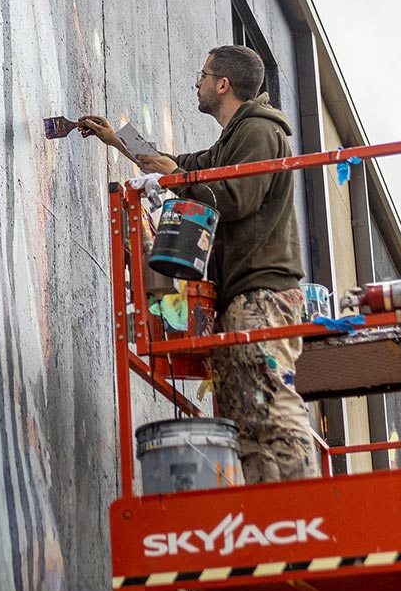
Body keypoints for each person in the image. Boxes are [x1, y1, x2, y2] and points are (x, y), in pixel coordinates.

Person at [79, 45, 316, 483]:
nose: (198, 82)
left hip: (261, 293)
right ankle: (273, 518)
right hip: (243, 293)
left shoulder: (260, 131)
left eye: (203, 75)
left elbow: (234, 197)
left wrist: (182, 181)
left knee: (269, 403)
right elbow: (182, 169)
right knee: (246, 419)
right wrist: (120, 140)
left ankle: (305, 510)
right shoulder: (234, 138)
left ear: (223, 84)